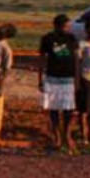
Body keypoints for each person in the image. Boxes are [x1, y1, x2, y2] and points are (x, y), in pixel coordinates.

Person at [37, 14, 80, 154]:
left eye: (68, 26)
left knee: (69, 109)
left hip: (68, 78)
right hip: (52, 77)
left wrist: (77, 79)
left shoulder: (71, 38)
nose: (67, 29)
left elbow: (76, 60)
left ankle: (66, 134)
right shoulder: (47, 39)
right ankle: (57, 134)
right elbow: (42, 60)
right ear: (56, 26)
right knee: (53, 108)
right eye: (64, 26)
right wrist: (40, 78)